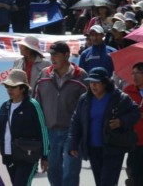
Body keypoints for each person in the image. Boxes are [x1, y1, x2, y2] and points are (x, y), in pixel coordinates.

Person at [67, 67, 140, 186]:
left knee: (107, 182)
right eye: (91, 82)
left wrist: (121, 121)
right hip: (93, 148)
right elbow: (76, 122)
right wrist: (73, 144)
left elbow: (135, 113)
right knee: (99, 181)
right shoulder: (85, 99)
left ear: (105, 83)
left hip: (113, 147)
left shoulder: (119, 98)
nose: (93, 86)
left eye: (97, 83)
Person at [0, 69, 49, 186]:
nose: (9, 90)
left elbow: (42, 131)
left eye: (13, 87)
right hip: (8, 156)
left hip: (28, 156)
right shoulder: (5, 106)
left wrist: (45, 156)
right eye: (7, 87)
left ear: (23, 88)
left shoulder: (33, 105)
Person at [35, 41, 88, 186]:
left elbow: (87, 106)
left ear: (66, 55)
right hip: (49, 131)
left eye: (56, 55)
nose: (53, 58)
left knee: (71, 169)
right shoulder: (44, 74)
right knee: (53, 169)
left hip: (72, 133)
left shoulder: (81, 75)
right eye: (51, 55)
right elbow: (36, 103)